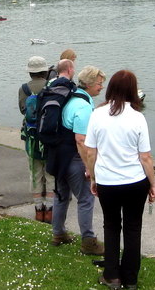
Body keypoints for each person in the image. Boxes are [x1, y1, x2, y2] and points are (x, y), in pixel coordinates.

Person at [85, 70, 155, 289]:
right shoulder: (138, 117)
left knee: (111, 225)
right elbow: (145, 157)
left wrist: (94, 178)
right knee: (133, 228)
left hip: (108, 180)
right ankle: (131, 278)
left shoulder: (98, 114)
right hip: (135, 181)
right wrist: (152, 183)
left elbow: (90, 152)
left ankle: (112, 275)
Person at [51, 63, 105, 255]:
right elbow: (81, 140)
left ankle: (58, 234)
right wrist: (89, 167)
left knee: (61, 195)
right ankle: (88, 242)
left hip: (59, 157)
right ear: (89, 84)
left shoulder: (73, 97)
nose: (101, 87)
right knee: (85, 199)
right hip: (74, 158)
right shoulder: (83, 106)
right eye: (99, 83)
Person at [18, 56, 53, 223]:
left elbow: (22, 110)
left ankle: (39, 210)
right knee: (51, 174)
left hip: (31, 139)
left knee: (35, 174)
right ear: (45, 71)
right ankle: (50, 210)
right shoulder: (51, 86)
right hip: (49, 138)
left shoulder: (24, 88)